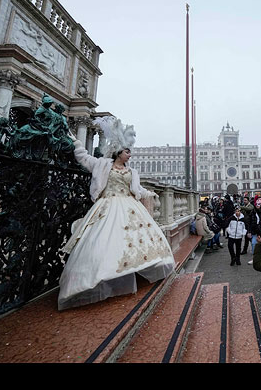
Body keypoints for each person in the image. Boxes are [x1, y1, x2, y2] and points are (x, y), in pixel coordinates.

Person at [58, 120, 175, 311]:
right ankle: (98, 278)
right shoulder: (103, 165)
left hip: (129, 206)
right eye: (127, 151)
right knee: (105, 241)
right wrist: (76, 143)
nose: (130, 154)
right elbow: (84, 158)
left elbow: (137, 189)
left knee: (131, 241)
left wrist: (149, 194)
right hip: (107, 206)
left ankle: (131, 271)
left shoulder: (132, 171)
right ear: (119, 152)